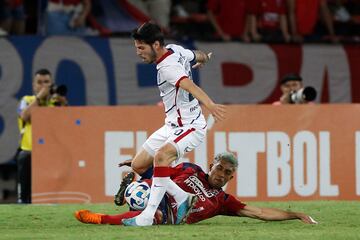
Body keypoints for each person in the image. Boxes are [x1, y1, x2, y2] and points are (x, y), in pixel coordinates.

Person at [118, 22, 225, 226]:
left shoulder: (168, 68)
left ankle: (146, 217)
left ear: (156, 44)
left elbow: (189, 85)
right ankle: (182, 196)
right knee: (138, 165)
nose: (138, 53)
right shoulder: (175, 49)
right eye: (136, 48)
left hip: (190, 126)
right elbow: (196, 54)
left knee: (161, 157)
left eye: (141, 48)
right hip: (172, 125)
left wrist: (210, 104)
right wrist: (206, 58)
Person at [74, 152, 318, 225]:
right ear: (211, 165)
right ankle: (134, 186)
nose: (221, 175)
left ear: (232, 176)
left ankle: (102, 218)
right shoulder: (190, 169)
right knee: (147, 192)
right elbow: (162, 174)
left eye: (227, 173)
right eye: (219, 169)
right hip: (155, 192)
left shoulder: (223, 200)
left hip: (168, 215)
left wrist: (295, 215)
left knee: (155, 217)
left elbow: (259, 213)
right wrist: (141, 167)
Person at [16, 69, 68, 203]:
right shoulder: (27, 100)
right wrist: (40, 97)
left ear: (52, 84)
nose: (43, 86)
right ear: (34, 85)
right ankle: (23, 199)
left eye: (46, 82)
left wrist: (64, 104)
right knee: (23, 156)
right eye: (39, 83)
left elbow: (70, 126)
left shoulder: (55, 103)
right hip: (30, 151)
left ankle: (61, 199)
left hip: (53, 151)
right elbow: (25, 116)